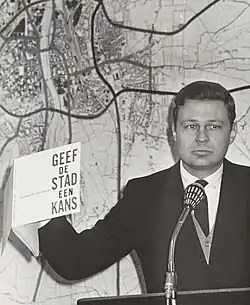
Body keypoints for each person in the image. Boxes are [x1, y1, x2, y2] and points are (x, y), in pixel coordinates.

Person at [38, 80, 250, 293]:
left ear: (231, 133)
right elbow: (76, 261)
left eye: (213, 126)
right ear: (174, 133)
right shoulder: (144, 196)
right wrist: (38, 200)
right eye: (191, 126)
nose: (201, 137)